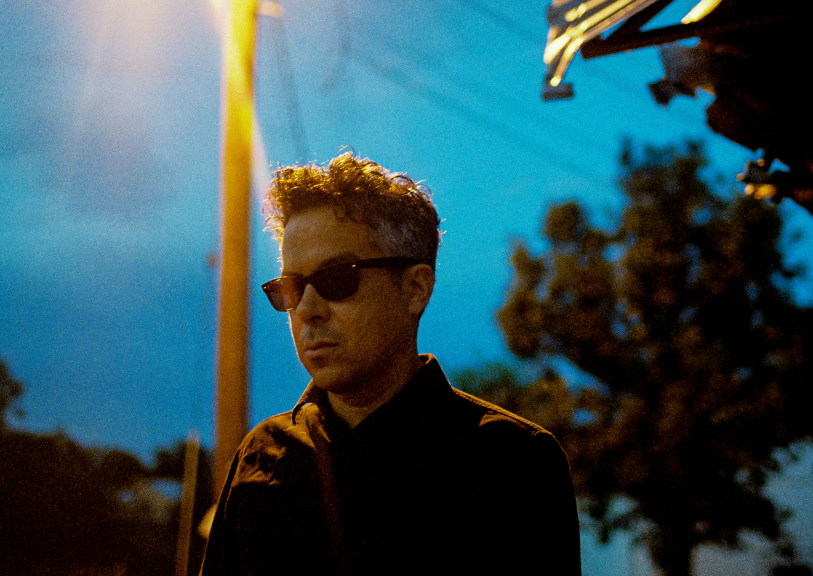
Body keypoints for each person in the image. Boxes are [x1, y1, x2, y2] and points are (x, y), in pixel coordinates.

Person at [201, 153, 581, 576]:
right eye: (291, 288)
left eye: (337, 278)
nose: (307, 309)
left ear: (415, 288)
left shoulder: (512, 464)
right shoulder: (261, 456)